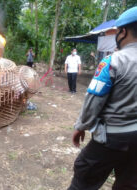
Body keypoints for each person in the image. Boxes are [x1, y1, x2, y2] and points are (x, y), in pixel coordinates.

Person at [68, 6, 137, 190]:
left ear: (123, 32)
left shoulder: (112, 61)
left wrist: (81, 126)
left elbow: (93, 101)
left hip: (111, 138)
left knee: (84, 179)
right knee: (129, 184)